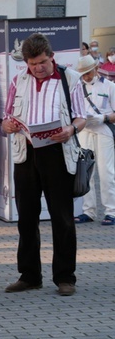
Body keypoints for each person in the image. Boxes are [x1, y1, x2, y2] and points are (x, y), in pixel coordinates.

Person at [1, 33, 86, 297]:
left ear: (52, 57)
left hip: (57, 153)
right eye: (32, 63)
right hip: (25, 153)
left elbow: (82, 117)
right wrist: (9, 125)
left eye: (42, 62)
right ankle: (29, 276)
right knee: (26, 217)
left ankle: (65, 277)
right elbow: (6, 119)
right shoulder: (19, 80)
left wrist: (71, 130)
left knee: (62, 217)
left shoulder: (70, 78)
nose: (37, 68)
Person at [74, 55, 115, 225]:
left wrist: (103, 117)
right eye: (83, 74)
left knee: (106, 172)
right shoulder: (77, 87)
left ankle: (111, 211)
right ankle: (88, 211)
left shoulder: (110, 86)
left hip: (104, 130)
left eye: (88, 73)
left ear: (96, 68)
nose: (86, 77)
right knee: (85, 173)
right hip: (85, 131)